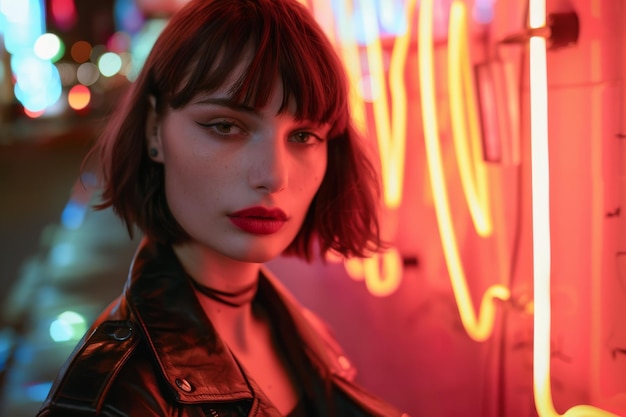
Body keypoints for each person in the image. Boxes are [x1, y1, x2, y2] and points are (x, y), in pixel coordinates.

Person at [38, 0, 406, 416]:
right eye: (226, 126)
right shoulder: (118, 396)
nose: (273, 176)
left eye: (303, 135)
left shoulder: (310, 338)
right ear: (154, 130)